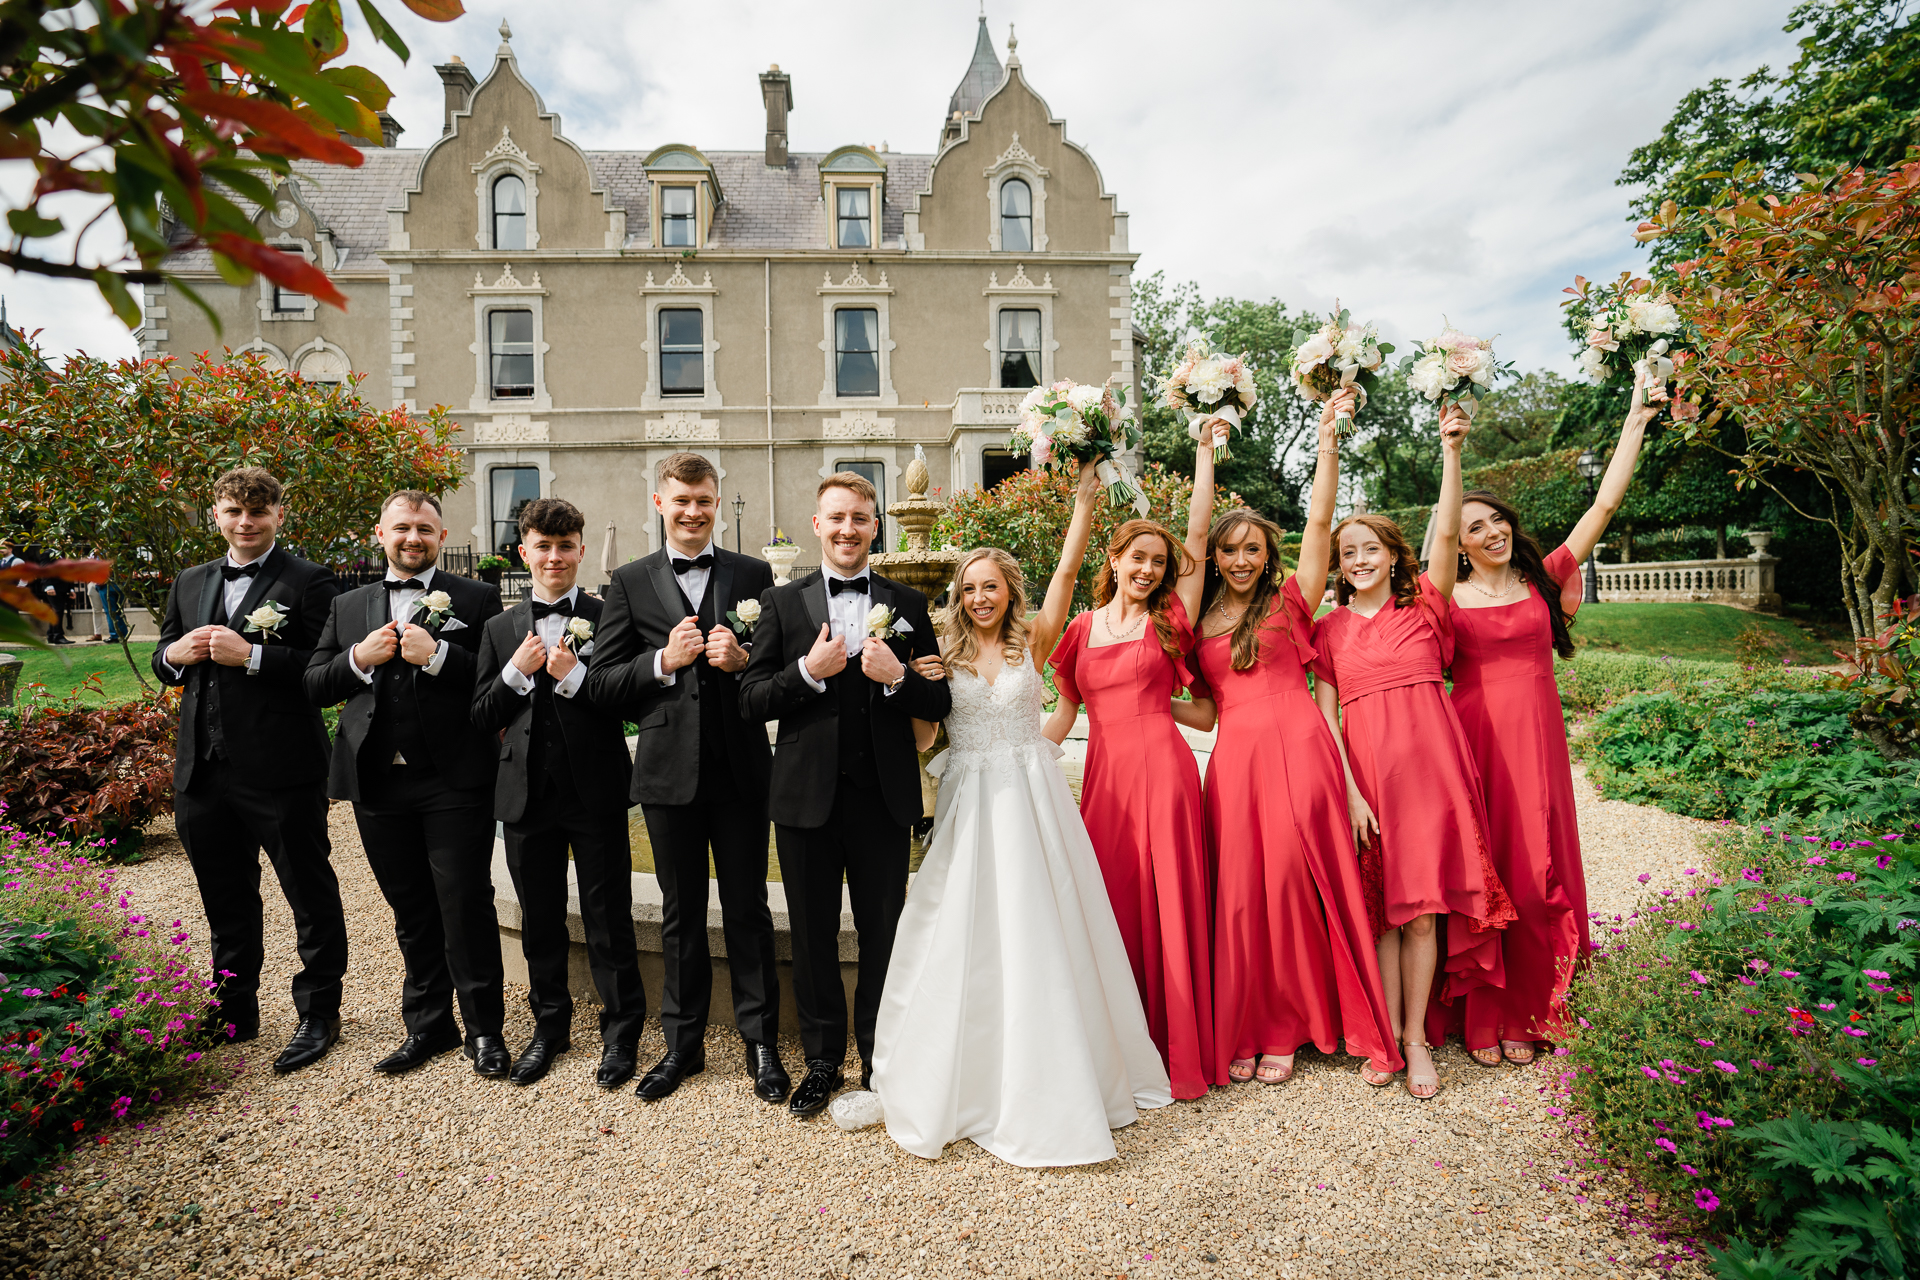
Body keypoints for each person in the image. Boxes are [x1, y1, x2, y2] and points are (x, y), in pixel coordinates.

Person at [872, 463, 1173, 1166]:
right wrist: (907, 690)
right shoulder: (938, 655)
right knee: (960, 926)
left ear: (1009, 591)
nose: (979, 597)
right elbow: (926, 742)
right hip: (970, 800)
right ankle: (970, 1074)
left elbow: (1069, 569)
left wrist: (1085, 501)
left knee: (1048, 922)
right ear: (958, 596)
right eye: (969, 588)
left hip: (1031, 798)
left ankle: (1062, 1073)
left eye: (990, 586)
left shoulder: (1033, 641)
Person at [1179, 398, 1402, 1092]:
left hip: (1302, 747)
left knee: (1298, 884)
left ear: (1267, 555)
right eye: (1229, 549)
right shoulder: (1198, 615)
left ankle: (1300, 1024)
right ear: (1215, 556)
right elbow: (1208, 713)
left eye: (1252, 549)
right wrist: (1205, 451)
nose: (1241, 558)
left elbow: (1317, 520)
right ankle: (1252, 1023)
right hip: (1238, 760)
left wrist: (1328, 437)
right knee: (1243, 894)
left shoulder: (1292, 599)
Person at [1439, 375, 1656, 1065]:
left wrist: (1635, 419)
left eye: (1496, 519)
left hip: (1538, 742)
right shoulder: (1443, 596)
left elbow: (1606, 502)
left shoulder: (1544, 577)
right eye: (1475, 527)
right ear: (1460, 543)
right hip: (1476, 743)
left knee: (1542, 868)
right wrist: (1452, 451)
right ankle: (1487, 1016)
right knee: (1491, 871)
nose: (1491, 530)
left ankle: (1541, 1006)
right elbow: (1441, 531)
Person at [1312, 404, 1514, 1099]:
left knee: (1424, 912)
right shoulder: (1329, 632)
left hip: (1435, 777)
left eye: (1372, 549)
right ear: (1339, 567)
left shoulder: (1427, 604)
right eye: (1349, 553)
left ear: (1395, 556)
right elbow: (1327, 718)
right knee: (1384, 914)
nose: (1361, 560)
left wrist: (1451, 449)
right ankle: (1387, 1037)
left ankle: (1418, 1040)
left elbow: (1450, 527)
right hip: (1371, 783)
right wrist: (1351, 793)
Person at [738, 472, 950, 1117]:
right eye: (836, 518)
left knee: (884, 932)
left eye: (859, 518)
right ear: (817, 525)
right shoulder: (783, 604)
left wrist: (896, 681)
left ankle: (880, 1056)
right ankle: (823, 1057)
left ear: (875, 525)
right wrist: (807, 672)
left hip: (883, 798)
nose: (847, 529)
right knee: (812, 935)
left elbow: (939, 699)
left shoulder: (908, 604)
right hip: (804, 799)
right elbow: (751, 699)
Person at [586, 453, 786, 1104]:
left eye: (704, 499)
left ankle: (761, 1045)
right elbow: (602, 686)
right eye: (682, 501)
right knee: (680, 917)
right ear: (659, 504)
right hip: (668, 775)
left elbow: (780, 677)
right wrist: (661, 662)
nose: (694, 511)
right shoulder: (630, 581)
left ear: (717, 501)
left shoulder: (755, 574)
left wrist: (746, 659)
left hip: (741, 772)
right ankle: (682, 1046)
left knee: (749, 911)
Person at [152, 467, 349, 1073]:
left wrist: (255, 655)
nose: (246, 522)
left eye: (258, 512)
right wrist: (172, 656)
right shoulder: (190, 581)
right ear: (217, 513)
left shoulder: (311, 581)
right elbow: (166, 656)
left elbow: (323, 670)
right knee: (225, 896)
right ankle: (233, 1007)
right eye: (235, 511)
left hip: (281, 767)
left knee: (308, 893)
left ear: (278, 516)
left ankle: (319, 1013)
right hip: (202, 771)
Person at [305, 490, 508, 1078]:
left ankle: (485, 1030)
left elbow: (498, 682)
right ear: (380, 534)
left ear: (443, 537)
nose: (412, 537)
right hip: (376, 782)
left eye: (424, 528)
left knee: (465, 902)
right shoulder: (348, 606)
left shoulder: (479, 597)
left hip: (453, 779)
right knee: (410, 908)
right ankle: (428, 1026)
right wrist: (358, 659)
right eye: (402, 528)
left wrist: (440, 653)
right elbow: (314, 684)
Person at [1044, 471, 1215, 1099]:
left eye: (1158, 563)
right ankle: (1120, 1040)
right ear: (1114, 560)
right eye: (1137, 558)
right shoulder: (1081, 630)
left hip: (1165, 776)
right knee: (1111, 904)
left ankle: (1180, 1048)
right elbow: (1063, 713)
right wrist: (1010, 761)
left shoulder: (1169, 619)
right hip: (1106, 785)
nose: (1147, 569)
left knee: (1169, 901)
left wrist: (1204, 449)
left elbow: (1205, 712)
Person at [472, 497, 647, 1089]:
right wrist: (515, 672)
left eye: (565, 546)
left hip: (594, 791)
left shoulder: (610, 617)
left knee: (608, 916)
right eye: (542, 547)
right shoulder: (498, 629)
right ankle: (549, 1029)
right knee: (541, 919)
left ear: (578, 549)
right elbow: (480, 714)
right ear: (524, 551)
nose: (554, 557)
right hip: (524, 796)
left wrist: (573, 676)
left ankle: (622, 1034)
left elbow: (628, 702)